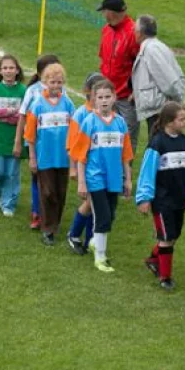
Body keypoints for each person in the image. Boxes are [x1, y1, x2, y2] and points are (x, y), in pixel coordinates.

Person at [71, 79, 134, 273]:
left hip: (114, 178)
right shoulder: (89, 122)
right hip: (95, 178)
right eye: (100, 97)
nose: (104, 101)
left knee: (110, 214)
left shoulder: (120, 123)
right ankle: (100, 257)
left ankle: (93, 242)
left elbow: (126, 155)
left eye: (108, 97)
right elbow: (81, 156)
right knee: (103, 216)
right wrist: (82, 182)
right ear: (93, 100)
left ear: (114, 98)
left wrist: (128, 179)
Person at [136, 101, 185, 290]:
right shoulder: (157, 143)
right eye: (181, 119)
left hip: (180, 199)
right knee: (166, 237)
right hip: (162, 201)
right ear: (169, 122)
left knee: (173, 235)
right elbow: (147, 172)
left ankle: (154, 259)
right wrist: (144, 198)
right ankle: (165, 277)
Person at [24, 62, 77, 246]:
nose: (56, 85)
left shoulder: (68, 104)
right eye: (52, 82)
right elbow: (30, 135)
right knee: (47, 192)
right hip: (44, 157)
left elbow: (75, 130)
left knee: (61, 192)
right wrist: (32, 157)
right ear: (45, 83)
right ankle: (47, 228)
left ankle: (56, 223)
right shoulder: (37, 105)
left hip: (63, 157)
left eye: (59, 82)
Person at [15, 54, 62, 231]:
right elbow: (22, 116)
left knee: (53, 180)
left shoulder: (61, 90)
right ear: (42, 73)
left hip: (55, 144)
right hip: (36, 143)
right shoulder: (32, 91)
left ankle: (50, 213)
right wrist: (18, 141)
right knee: (38, 178)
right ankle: (37, 212)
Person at [65, 72, 105, 254]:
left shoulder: (107, 114)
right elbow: (72, 143)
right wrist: (73, 168)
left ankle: (89, 239)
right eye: (98, 93)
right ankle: (74, 235)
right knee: (91, 202)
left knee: (96, 205)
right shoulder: (81, 114)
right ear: (88, 92)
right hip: (86, 166)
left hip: (102, 167)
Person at [97, 0, 140, 154]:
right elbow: (103, 60)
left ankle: (125, 170)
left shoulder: (133, 33)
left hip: (127, 98)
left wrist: (136, 90)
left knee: (127, 138)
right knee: (105, 134)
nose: (103, 15)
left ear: (111, 12)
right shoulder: (106, 30)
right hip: (107, 94)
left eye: (104, 11)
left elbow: (141, 66)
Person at [131, 14, 185, 136]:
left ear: (140, 33)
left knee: (158, 142)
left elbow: (168, 81)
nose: (134, 32)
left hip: (159, 110)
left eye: (135, 30)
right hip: (160, 108)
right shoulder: (155, 46)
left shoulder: (151, 49)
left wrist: (178, 101)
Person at [0, 54, 26, 217]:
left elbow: (25, 116)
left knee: (11, 174)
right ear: (0, 71)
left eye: (11, 68)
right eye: (5, 68)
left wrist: (4, 117)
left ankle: (9, 204)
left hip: (15, 138)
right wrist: (9, 112)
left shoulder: (23, 91)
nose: (8, 71)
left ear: (17, 71)